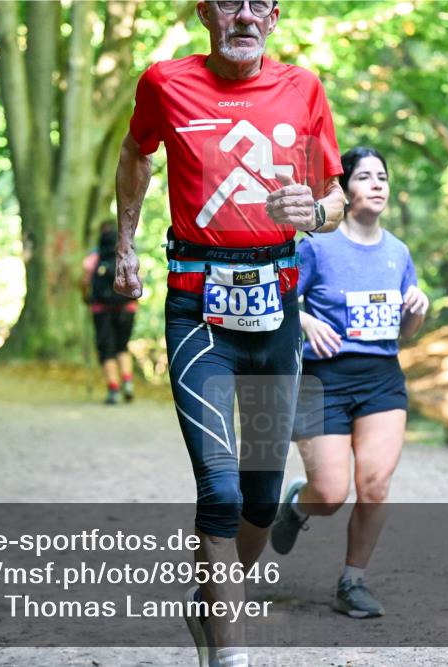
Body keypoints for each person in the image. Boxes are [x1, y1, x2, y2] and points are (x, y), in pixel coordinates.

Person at [113, 1, 347, 664]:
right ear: (203, 12)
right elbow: (136, 152)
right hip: (197, 309)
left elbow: (332, 197)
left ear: (273, 16)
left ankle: (214, 601)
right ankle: (230, 652)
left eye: (257, 3)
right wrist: (125, 246)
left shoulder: (303, 88)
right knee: (219, 488)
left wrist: (319, 209)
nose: (242, 14)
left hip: (276, 311)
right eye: (228, 1)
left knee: (262, 497)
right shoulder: (165, 82)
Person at [268, 146, 430, 619]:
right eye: (365, 176)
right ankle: (298, 505)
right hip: (323, 381)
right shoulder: (316, 246)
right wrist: (302, 320)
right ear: (343, 188)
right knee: (331, 493)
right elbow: (276, 303)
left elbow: (403, 334)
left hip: (381, 379)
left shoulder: (398, 252)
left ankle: (352, 581)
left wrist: (416, 312)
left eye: (383, 176)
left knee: (375, 484)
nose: (378, 184)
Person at [81, 221, 138, 404]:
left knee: (107, 350)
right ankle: (127, 383)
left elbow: (84, 279)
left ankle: (114, 390)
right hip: (127, 307)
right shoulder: (128, 255)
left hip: (101, 308)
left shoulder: (95, 257)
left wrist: (86, 297)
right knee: (122, 346)